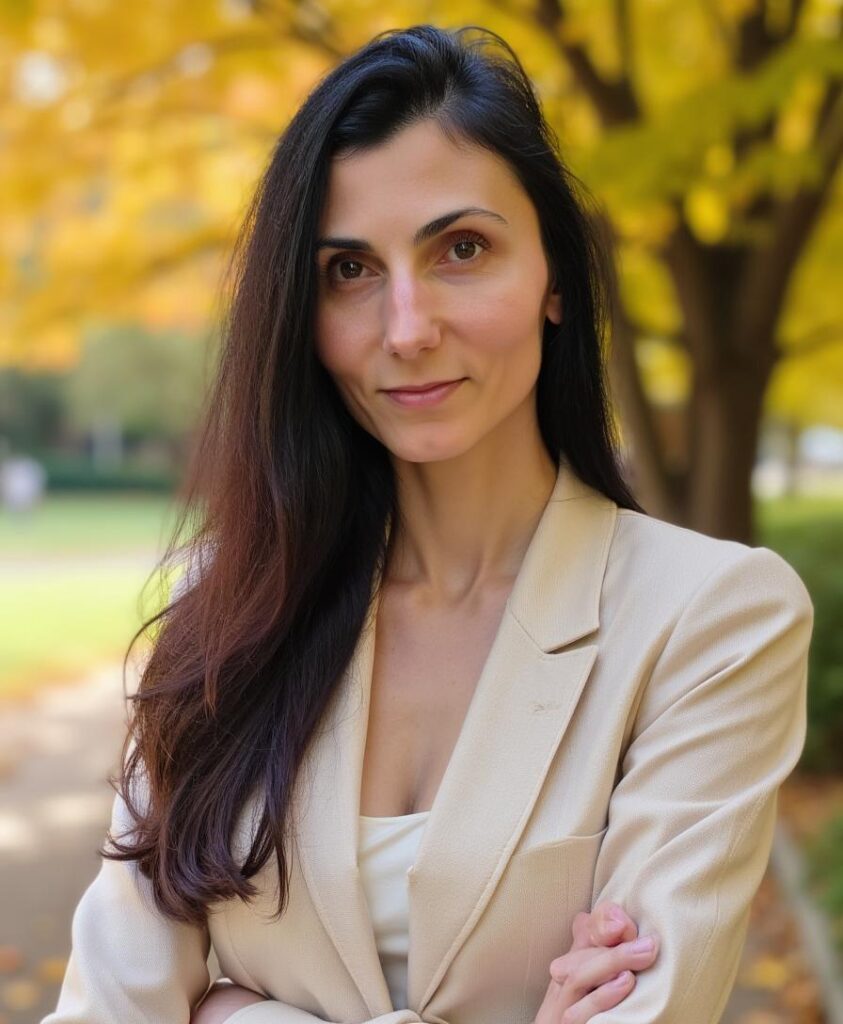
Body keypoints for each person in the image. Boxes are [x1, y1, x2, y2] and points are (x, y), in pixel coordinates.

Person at [43, 23, 814, 1024]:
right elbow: (106, 1006)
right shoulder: (225, 606)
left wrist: (236, 1011)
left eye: (462, 249)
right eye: (349, 270)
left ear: (555, 280)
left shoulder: (712, 618)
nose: (406, 329)